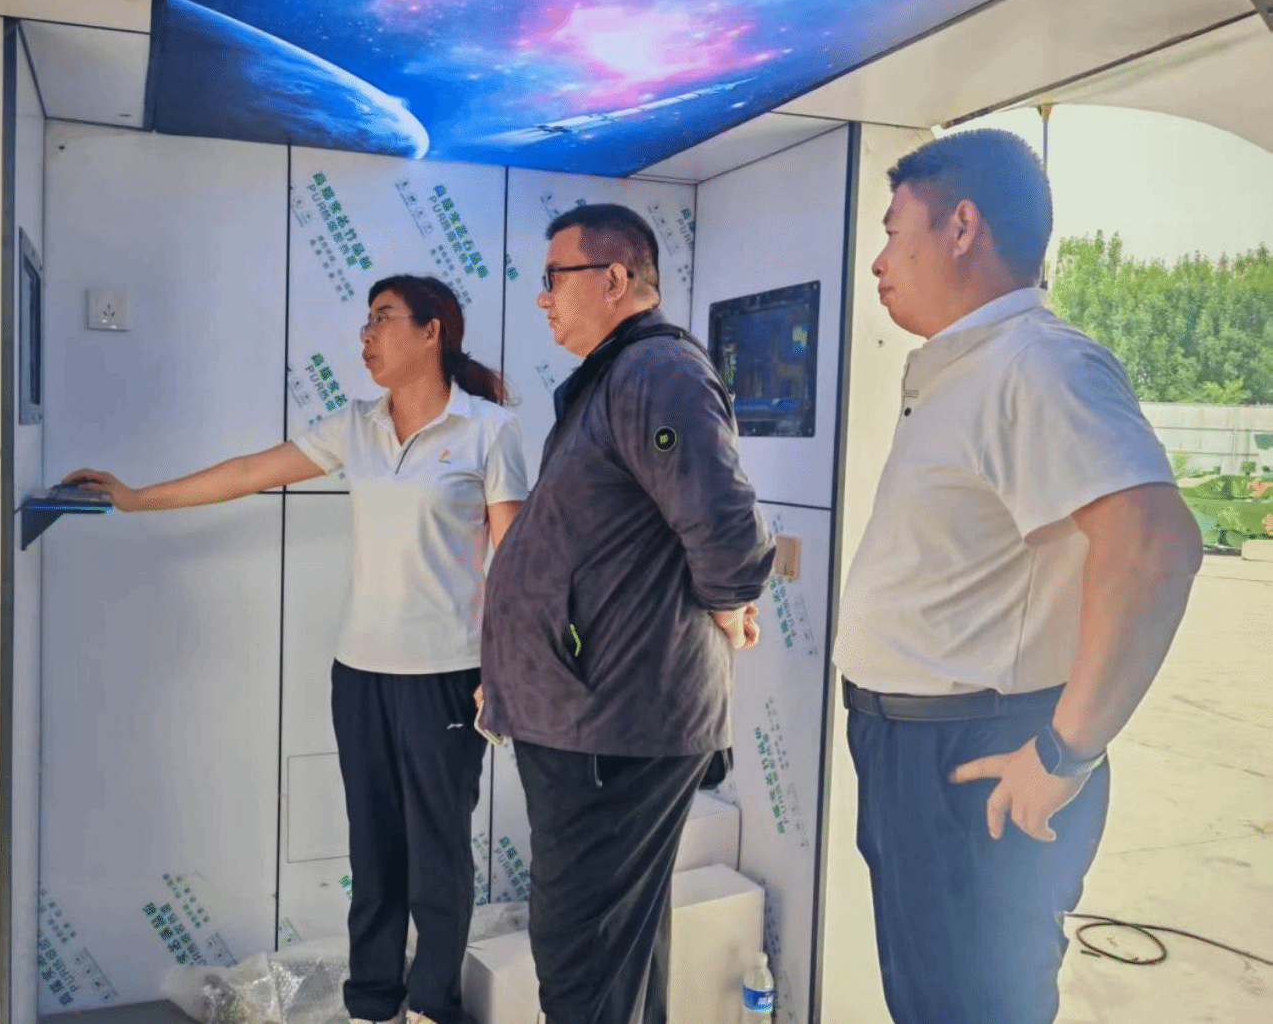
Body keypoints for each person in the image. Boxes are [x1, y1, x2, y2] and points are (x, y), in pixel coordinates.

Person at [64, 275, 528, 1024]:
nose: (366, 335)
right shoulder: (357, 426)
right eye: (365, 320)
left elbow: (517, 562)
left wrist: (503, 667)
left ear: (433, 330)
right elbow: (250, 472)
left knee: (438, 856)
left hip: (447, 677)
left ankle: (432, 1007)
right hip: (360, 674)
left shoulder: (488, 430)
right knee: (373, 853)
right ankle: (372, 1004)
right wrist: (137, 496)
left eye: (383, 318)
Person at [835, 129, 1203, 1024]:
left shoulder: (1037, 363)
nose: (879, 260)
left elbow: (1153, 543)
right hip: (918, 754)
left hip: (979, 761)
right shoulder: (966, 372)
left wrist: (1064, 752)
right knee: (931, 1000)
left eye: (894, 231)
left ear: (963, 227)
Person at [478, 204, 777, 1024]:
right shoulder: (616, 379)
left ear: (613, 280)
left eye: (554, 277)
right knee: (611, 956)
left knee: (583, 962)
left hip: (613, 726)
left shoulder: (657, 372)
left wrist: (730, 604)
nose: (542, 297)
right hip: (588, 717)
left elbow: (728, 531)